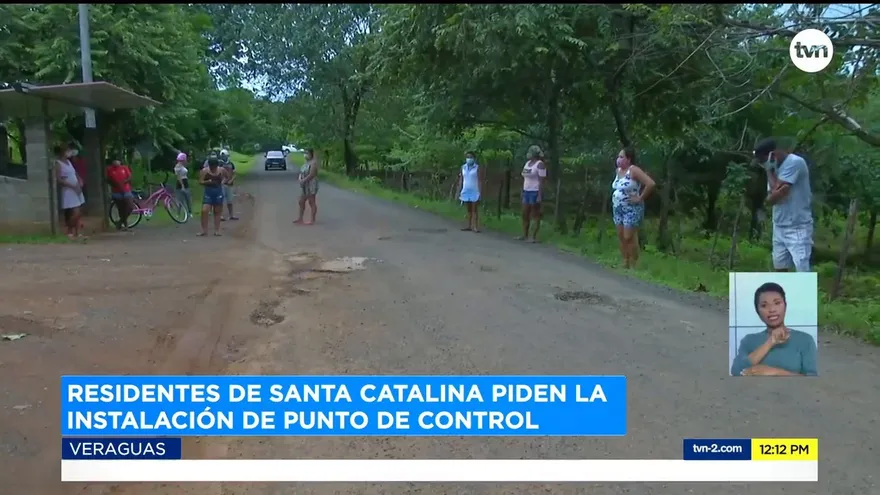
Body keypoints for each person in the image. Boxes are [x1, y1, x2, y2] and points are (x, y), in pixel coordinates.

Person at [730, 282, 818, 376]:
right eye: (764, 305)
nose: (772, 309)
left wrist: (775, 372)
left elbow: (813, 380)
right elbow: (736, 372)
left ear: (785, 306)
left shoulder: (805, 340)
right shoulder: (749, 340)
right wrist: (770, 342)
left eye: (777, 303)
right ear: (757, 311)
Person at [754, 138, 813, 272]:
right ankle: (782, 293)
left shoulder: (794, 162)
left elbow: (778, 193)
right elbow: (772, 197)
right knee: (779, 265)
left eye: (763, 160)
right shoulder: (774, 169)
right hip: (779, 224)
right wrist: (770, 173)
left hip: (798, 224)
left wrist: (774, 190)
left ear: (772, 154)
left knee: (801, 265)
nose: (763, 164)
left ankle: (803, 293)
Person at [611, 146, 655, 269]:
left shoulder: (634, 170)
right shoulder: (618, 171)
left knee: (628, 236)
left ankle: (634, 263)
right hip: (618, 208)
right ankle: (625, 261)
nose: (618, 159)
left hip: (631, 208)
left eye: (621, 157)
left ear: (629, 159)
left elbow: (650, 183)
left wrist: (640, 198)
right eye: (618, 157)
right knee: (621, 236)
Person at [54, 145, 85, 239]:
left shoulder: (68, 162)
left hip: (77, 189)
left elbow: (75, 173)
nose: (70, 152)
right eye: (68, 150)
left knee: (79, 211)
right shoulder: (58, 163)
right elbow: (59, 179)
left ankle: (77, 231)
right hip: (68, 190)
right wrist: (72, 186)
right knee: (75, 212)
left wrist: (80, 181)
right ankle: (69, 229)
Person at [516, 145, 547, 242]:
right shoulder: (527, 163)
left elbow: (542, 181)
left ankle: (533, 237)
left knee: (535, 214)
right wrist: (522, 190)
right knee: (524, 213)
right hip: (526, 190)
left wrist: (539, 195)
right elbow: (525, 178)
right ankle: (524, 235)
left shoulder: (540, 164)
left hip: (535, 191)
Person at [198, 157, 227, 236]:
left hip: (218, 192)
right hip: (208, 192)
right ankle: (204, 230)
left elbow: (226, 177)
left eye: (214, 167)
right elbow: (200, 181)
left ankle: (217, 230)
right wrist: (207, 181)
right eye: (211, 167)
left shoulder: (221, 170)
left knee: (217, 212)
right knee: (204, 210)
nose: (213, 169)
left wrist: (223, 182)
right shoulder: (204, 171)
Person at [457, 151, 484, 232]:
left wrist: (480, 191)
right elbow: (461, 179)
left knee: (474, 209)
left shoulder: (477, 168)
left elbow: (480, 180)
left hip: (474, 190)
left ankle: (475, 226)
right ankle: (469, 225)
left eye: (471, 157)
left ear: (474, 158)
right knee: (468, 209)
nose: (469, 159)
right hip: (466, 190)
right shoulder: (463, 167)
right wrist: (459, 190)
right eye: (467, 157)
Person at [106, 159, 136, 230]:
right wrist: (114, 184)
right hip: (116, 192)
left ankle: (120, 221)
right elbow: (108, 179)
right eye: (114, 160)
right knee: (121, 208)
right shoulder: (109, 169)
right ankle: (125, 225)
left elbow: (129, 177)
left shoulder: (124, 168)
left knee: (130, 206)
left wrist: (124, 182)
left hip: (126, 190)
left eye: (117, 161)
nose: (116, 162)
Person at [294, 148, 320, 225]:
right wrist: (300, 179)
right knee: (301, 201)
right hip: (304, 185)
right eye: (304, 153)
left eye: (307, 153)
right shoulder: (306, 163)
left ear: (311, 154)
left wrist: (303, 180)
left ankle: (312, 220)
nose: (305, 155)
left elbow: (311, 175)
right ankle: (300, 218)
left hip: (311, 184)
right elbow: (301, 172)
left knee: (311, 202)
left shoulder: (313, 163)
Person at [219, 149, 238, 221]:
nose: (224, 157)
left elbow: (234, 174)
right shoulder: (219, 164)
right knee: (221, 201)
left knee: (230, 201)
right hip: (221, 184)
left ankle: (231, 215)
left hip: (229, 184)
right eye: (222, 155)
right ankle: (220, 216)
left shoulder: (231, 164)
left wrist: (231, 180)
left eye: (225, 155)